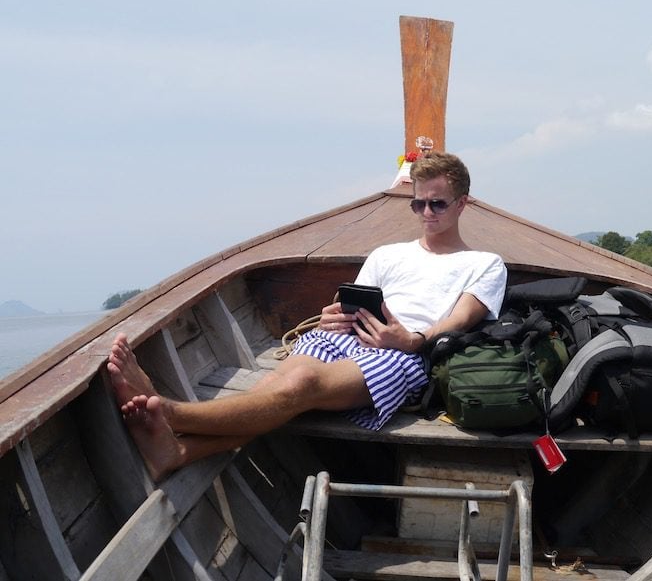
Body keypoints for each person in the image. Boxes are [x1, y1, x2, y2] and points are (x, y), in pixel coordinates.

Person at [108, 152, 507, 480]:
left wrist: (412, 339)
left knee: (299, 382)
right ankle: (175, 451)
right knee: (278, 386)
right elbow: (353, 298)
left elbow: (461, 320)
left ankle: (172, 412)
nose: (426, 213)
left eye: (437, 203)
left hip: (406, 355)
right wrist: (333, 315)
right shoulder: (388, 254)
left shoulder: (484, 264)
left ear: (462, 203)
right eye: (418, 203)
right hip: (345, 336)